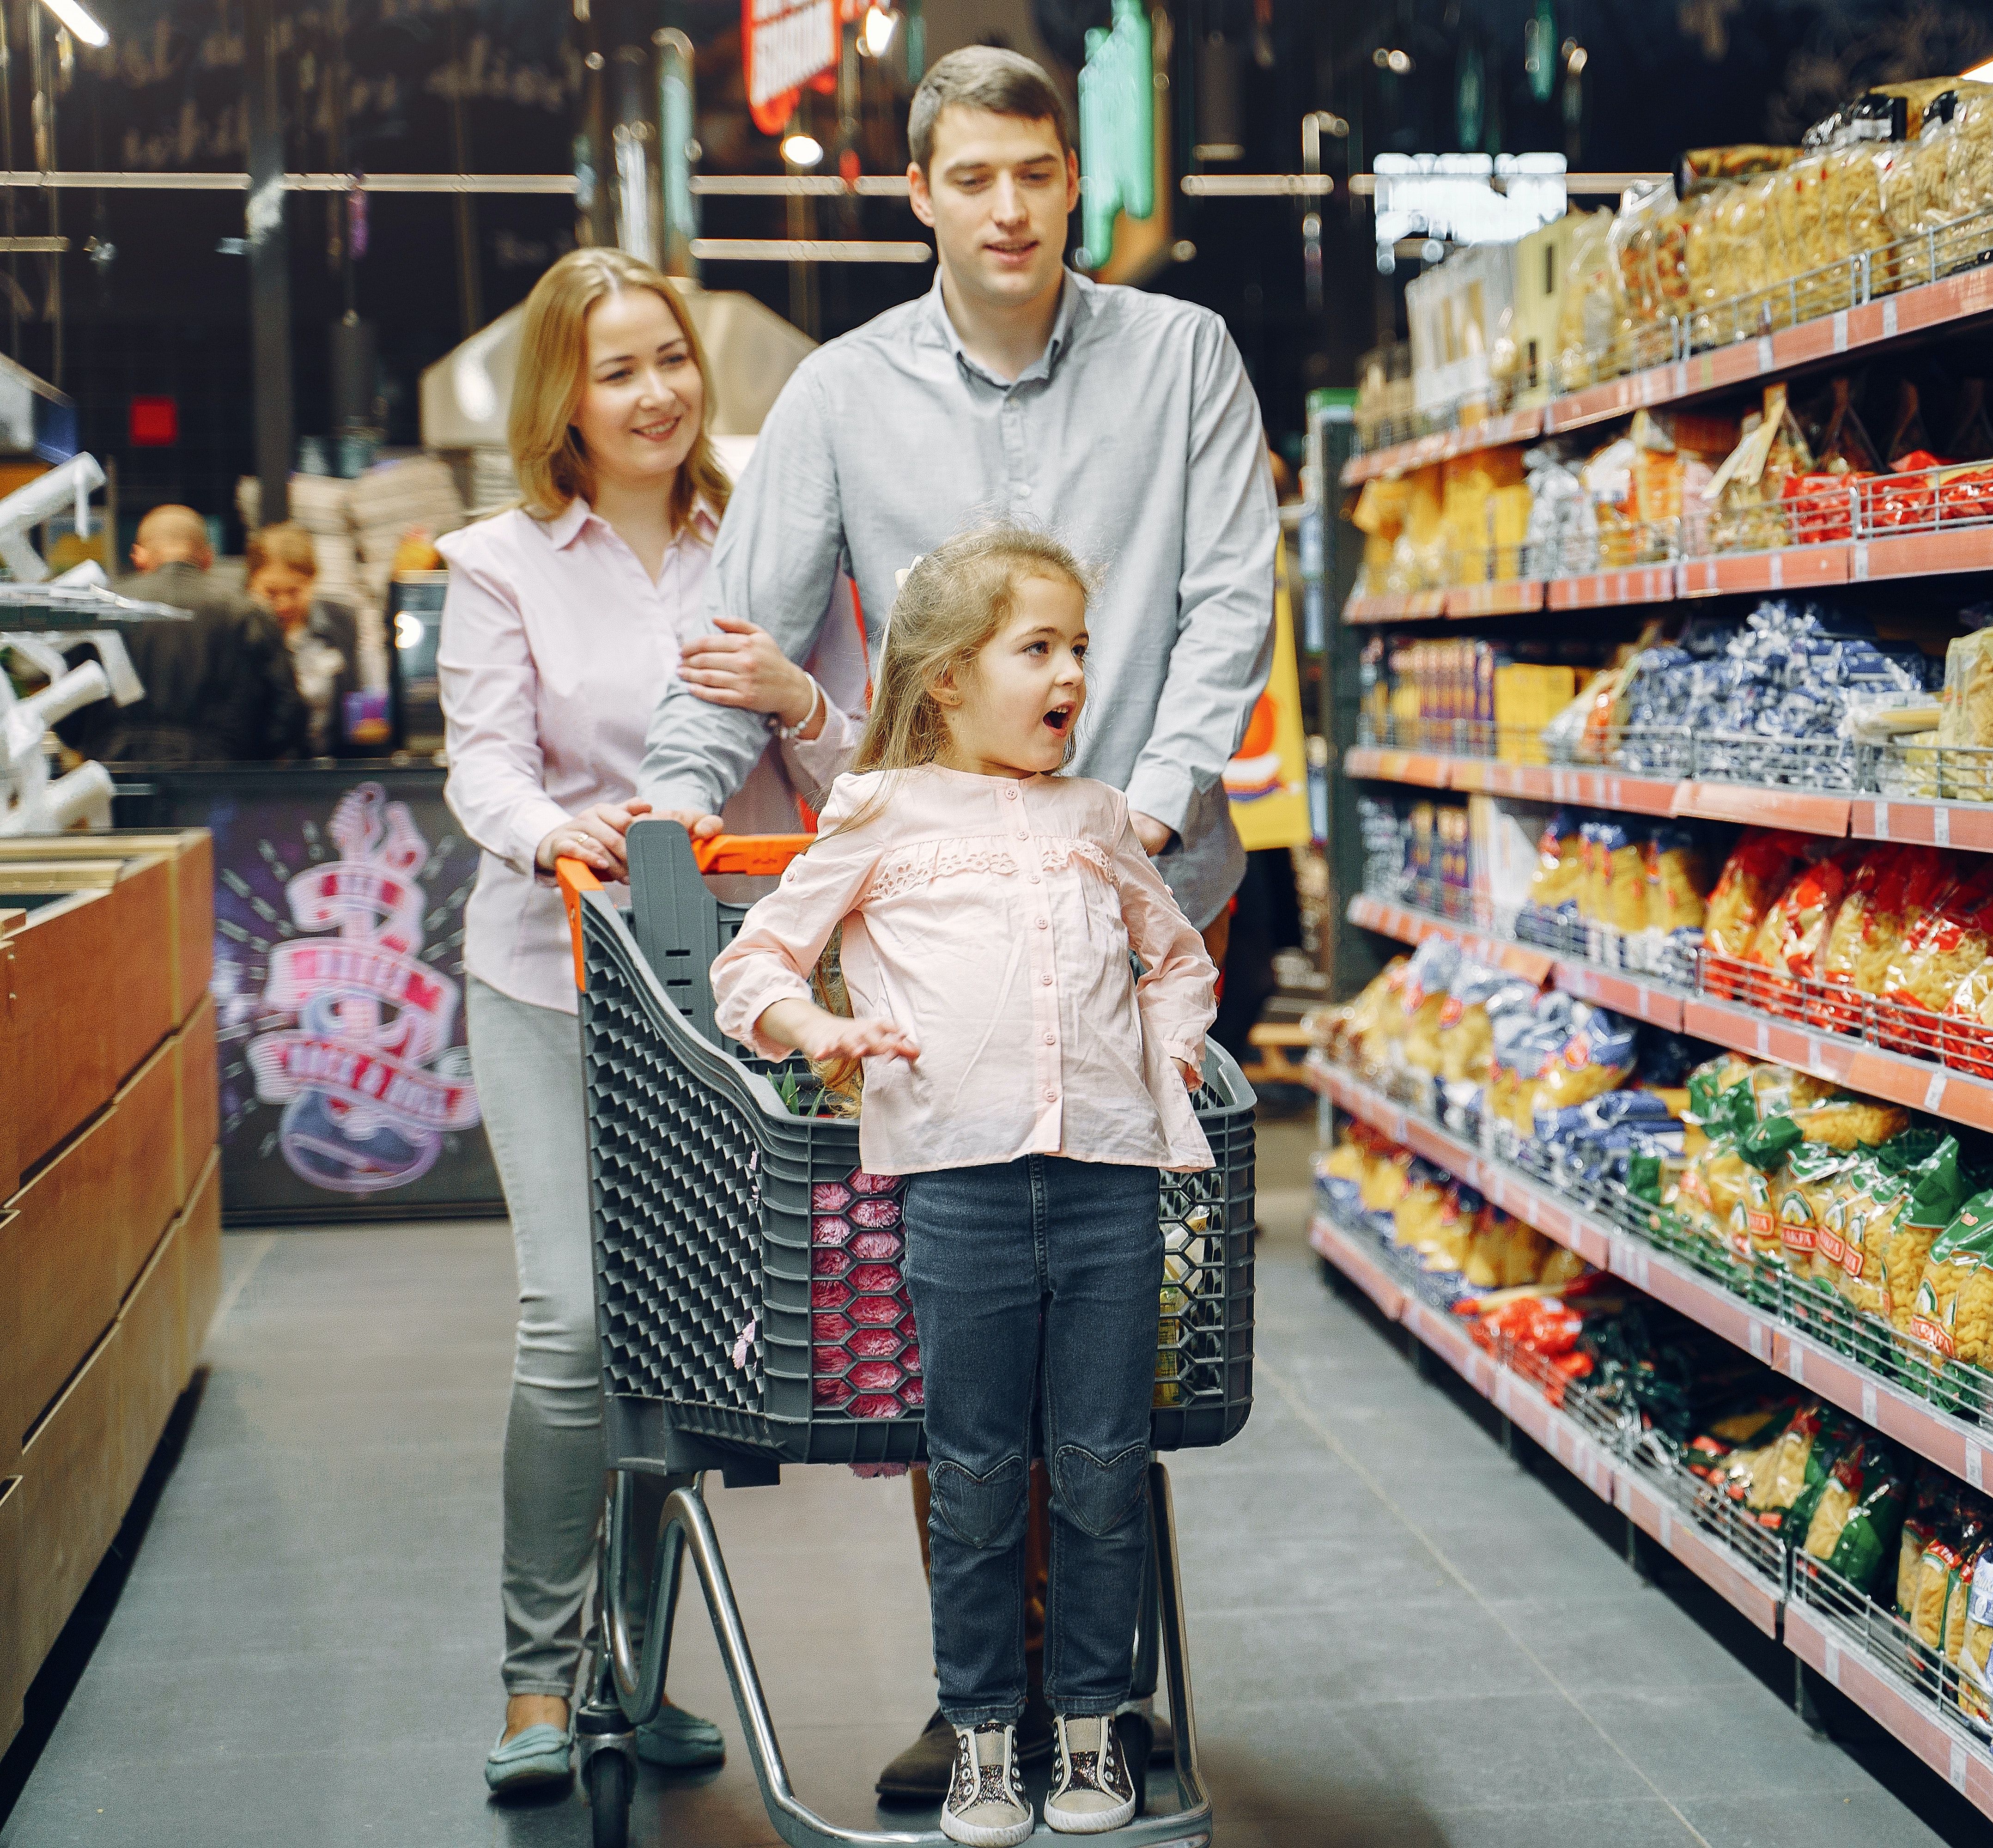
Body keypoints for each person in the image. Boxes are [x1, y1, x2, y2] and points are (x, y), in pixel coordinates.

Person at [593, 43, 1277, 1802]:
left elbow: (1223, 600)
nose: (1004, 207)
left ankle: (1093, 1687)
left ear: (1070, 181)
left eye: (1032, 173)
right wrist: (667, 808)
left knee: (1126, 1349)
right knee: (948, 1351)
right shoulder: (840, 392)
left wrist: (1153, 792)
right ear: (919, 192)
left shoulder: (1181, 357)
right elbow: (744, 638)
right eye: (969, 176)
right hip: (937, 935)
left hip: (1135, 907)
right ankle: (988, 1691)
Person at [712, 525, 1219, 1848]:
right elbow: (755, 964)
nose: (1070, 676)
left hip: (1111, 1184)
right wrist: (819, 1034)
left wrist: (1160, 1063)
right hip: (957, 1188)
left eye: (1079, 651)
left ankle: (1095, 1726)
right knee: (984, 1474)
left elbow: (1176, 961)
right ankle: (986, 1740)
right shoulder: (880, 813)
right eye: (1037, 648)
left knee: (1105, 1470)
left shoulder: (1100, 819)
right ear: (946, 678)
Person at [437, 245, 865, 1802]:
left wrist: (798, 696)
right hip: (552, 977)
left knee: (677, 1338)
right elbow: (477, 761)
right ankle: (537, 1684)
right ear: (564, 391)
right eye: (616, 367)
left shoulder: (772, 545)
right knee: (574, 1319)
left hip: (715, 999)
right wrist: (550, 828)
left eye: (670, 357)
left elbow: (857, 776)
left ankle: (635, 1674)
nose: (655, 391)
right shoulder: (498, 563)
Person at [62, 505, 308, 762]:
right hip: (221, 784)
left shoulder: (100, 610)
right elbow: (286, 715)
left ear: (139, 557)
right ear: (208, 557)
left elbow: (67, 713)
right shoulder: (248, 613)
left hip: (119, 780)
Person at [244, 521, 349, 754]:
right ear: (251, 585)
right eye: (271, 593)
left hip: (332, 762)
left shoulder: (341, 621)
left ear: (313, 580)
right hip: (262, 766)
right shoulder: (238, 629)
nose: (283, 604)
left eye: (294, 592)